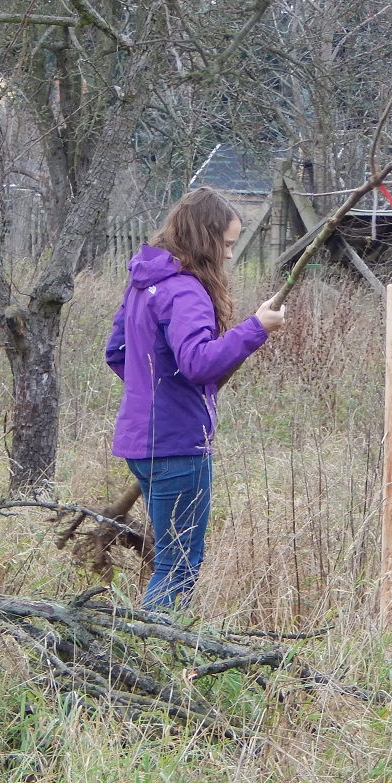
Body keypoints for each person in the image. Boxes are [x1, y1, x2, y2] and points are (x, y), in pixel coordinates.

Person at [105, 187, 286, 610]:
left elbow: (117, 352)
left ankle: (142, 649)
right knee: (179, 564)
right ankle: (146, 654)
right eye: (225, 244)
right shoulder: (185, 291)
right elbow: (200, 363)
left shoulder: (143, 284)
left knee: (170, 559)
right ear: (204, 239)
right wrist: (256, 327)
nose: (227, 255)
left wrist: (151, 390)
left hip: (142, 444)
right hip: (178, 445)